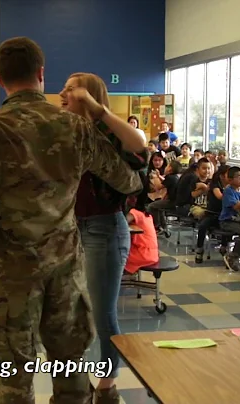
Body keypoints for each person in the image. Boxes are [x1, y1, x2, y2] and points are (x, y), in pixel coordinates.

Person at [0, 37, 143, 404]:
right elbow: (128, 178)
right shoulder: (75, 126)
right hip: (65, 264)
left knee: (13, 377)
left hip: (11, 267)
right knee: (70, 370)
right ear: (41, 73)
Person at [59, 72, 148, 402]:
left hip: (103, 229)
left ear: (89, 95)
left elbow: (139, 148)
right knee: (70, 310)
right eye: (64, 88)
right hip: (70, 230)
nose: (63, 93)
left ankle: (108, 381)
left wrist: (98, 110)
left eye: (71, 89)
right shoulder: (65, 131)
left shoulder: (107, 133)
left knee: (102, 312)